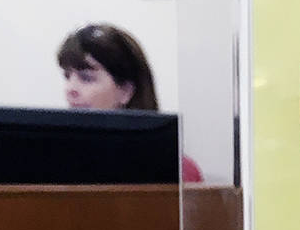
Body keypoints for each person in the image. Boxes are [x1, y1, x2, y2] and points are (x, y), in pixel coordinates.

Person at [56, 23, 203, 182]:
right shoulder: (54, 160)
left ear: (125, 91)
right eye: (67, 76)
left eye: (86, 78)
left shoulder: (180, 171)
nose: (70, 89)